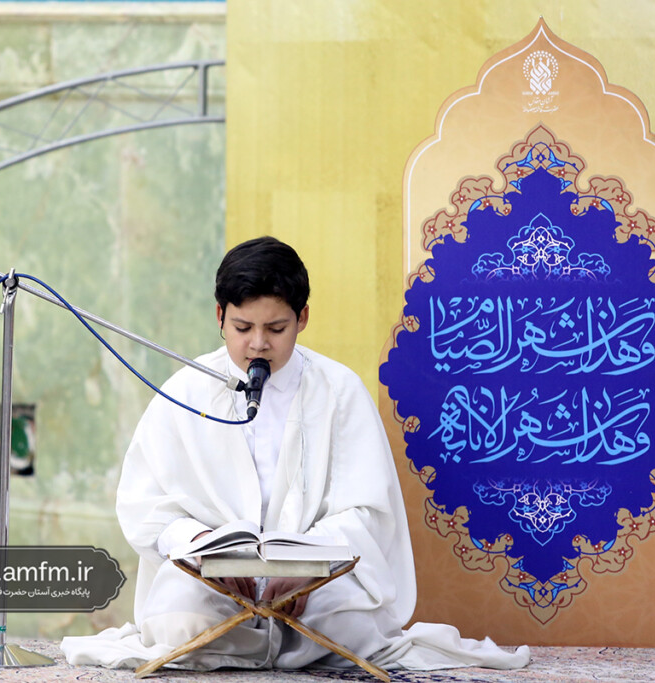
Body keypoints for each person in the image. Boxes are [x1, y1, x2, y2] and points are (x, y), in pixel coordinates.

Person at [61, 237, 529, 672]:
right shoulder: (184, 392)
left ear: (302, 318)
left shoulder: (339, 391)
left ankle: (263, 639)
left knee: (351, 623)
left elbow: (367, 512)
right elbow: (145, 505)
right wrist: (205, 550)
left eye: (276, 328)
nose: (258, 343)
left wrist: (306, 568)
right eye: (242, 327)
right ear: (220, 316)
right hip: (213, 585)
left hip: (317, 585)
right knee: (179, 618)